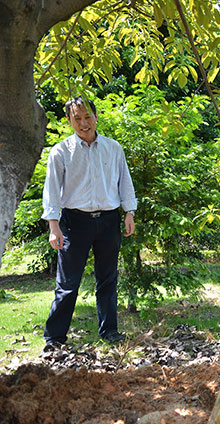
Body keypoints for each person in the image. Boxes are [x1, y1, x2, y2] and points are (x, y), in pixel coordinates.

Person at [41, 97, 137, 349]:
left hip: (108, 220)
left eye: (87, 117)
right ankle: (54, 338)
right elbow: (51, 191)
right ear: (69, 121)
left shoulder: (113, 148)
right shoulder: (60, 151)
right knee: (68, 283)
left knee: (107, 279)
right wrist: (54, 226)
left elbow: (124, 181)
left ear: (96, 117)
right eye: (77, 118)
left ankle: (110, 332)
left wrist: (129, 212)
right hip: (74, 222)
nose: (84, 123)